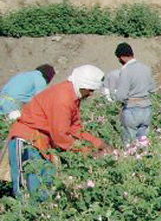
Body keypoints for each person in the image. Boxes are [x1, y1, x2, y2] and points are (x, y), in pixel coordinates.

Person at [5, 65, 108, 198]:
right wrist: (89, 152)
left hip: (41, 144)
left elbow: (75, 128)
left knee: (44, 188)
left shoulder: (72, 96)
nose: (91, 94)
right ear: (83, 85)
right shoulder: (63, 98)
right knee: (26, 189)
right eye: (90, 90)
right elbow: (61, 136)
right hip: (27, 141)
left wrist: (98, 143)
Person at [112, 42, 155, 144]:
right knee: (143, 141)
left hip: (132, 110)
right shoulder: (146, 68)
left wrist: (115, 98)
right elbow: (152, 88)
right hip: (147, 109)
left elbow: (121, 95)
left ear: (121, 57)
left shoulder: (126, 70)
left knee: (130, 142)